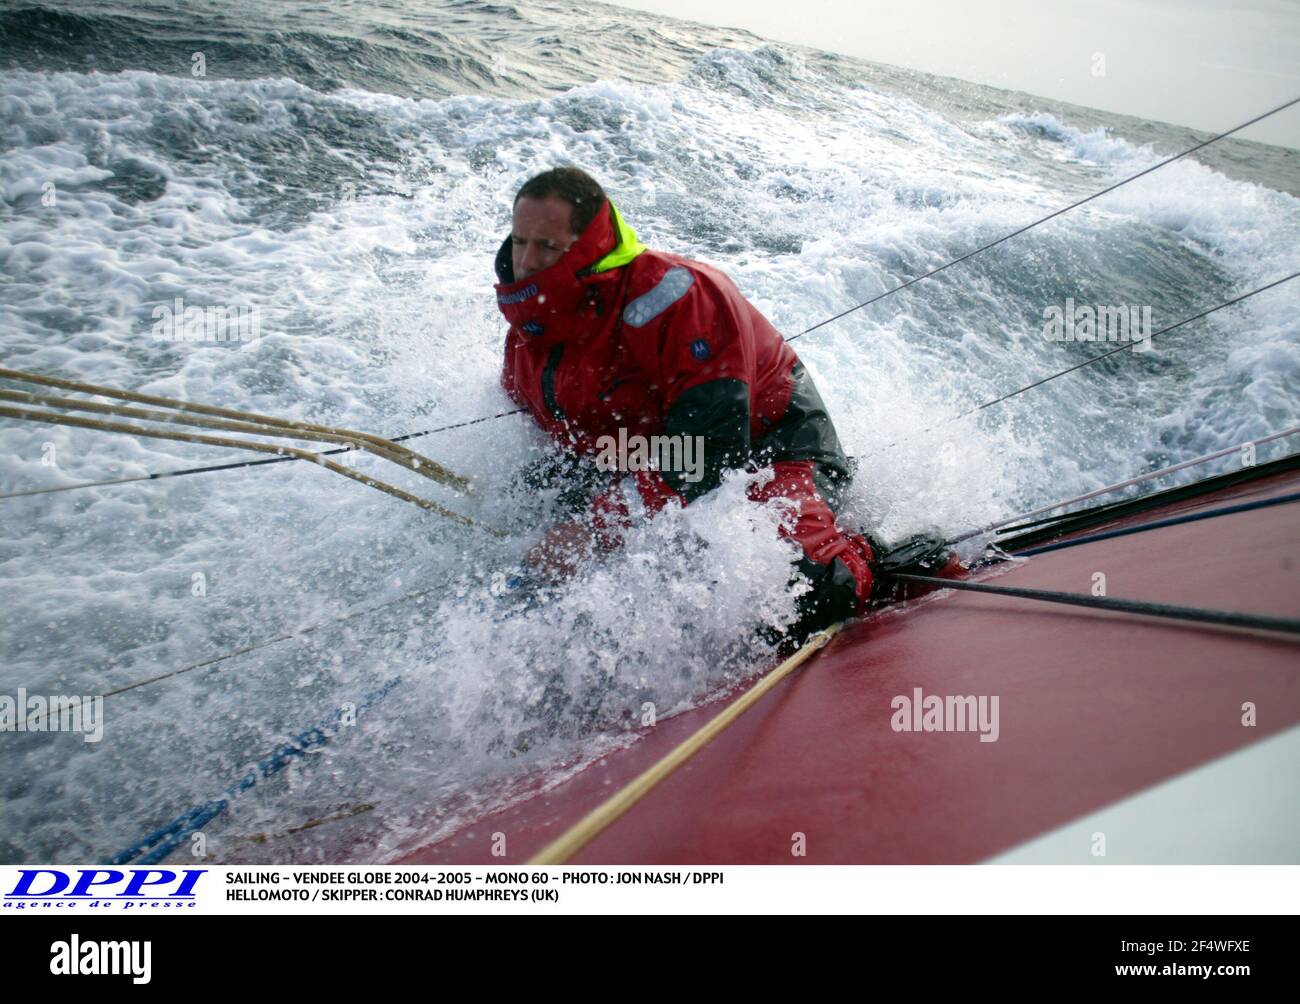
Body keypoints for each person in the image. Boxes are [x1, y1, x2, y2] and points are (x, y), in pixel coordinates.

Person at [494, 166, 949, 646]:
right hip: (645, 453)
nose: (526, 263)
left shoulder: (678, 296)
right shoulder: (533, 328)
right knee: (528, 508)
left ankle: (867, 559)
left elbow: (713, 449)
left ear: (589, 246)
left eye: (548, 247)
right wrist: (566, 514)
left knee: (805, 594)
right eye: (520, 241)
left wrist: (597, 526)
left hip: (770, 445)